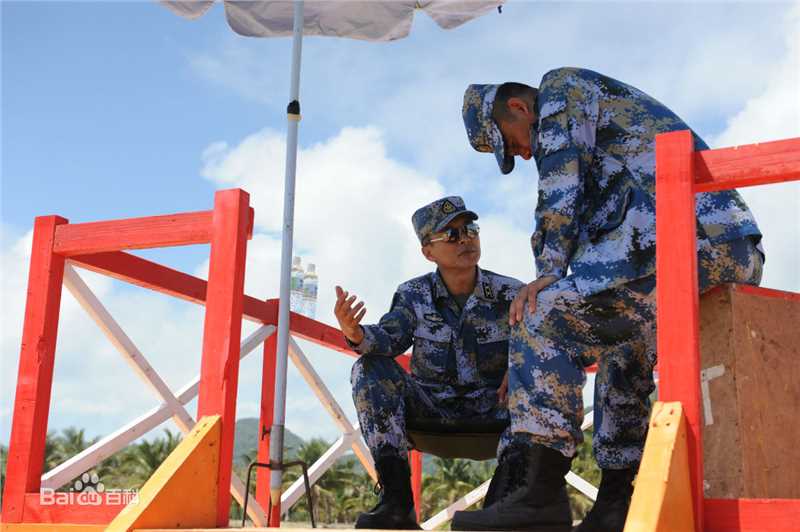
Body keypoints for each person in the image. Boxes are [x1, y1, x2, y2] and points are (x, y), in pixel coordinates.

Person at [455, 68, 764, 532]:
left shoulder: (560, 90)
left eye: (511, 142)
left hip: (692, 243)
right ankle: (617, 503)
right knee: (621, 350)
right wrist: (525, 368)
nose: (521, 154)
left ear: (519, 108)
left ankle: (539, 497)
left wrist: (546, 278)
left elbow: (559, 189)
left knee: (540, 315)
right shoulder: (600, 137)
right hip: (713, 247)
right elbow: (595, 248)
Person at [335, 196, 525, 529]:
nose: (465, 238)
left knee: (539, 376)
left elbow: (544, 343)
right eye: (451, 234)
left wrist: (522, 363)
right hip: (430, 408)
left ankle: (500, 507)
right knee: (368, 367)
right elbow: (389, 339)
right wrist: (355, 332)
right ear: (428, 252)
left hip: (497, 410)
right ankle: (396, 503)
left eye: (471, 229)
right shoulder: (413, 294)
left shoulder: (512, 293)